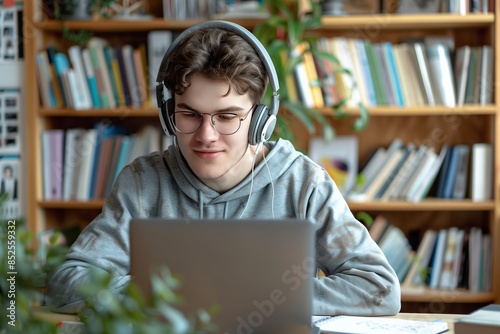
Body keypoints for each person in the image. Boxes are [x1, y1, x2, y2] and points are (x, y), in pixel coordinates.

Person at [47, 20, 400, 316]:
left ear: (262, 121)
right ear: (169, 116)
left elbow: (379, 288)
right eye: (189, 114)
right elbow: (68, 282)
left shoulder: (304, 183)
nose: (206, 135)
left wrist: (261, 298)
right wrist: (181, 296)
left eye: (227, 116)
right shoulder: (143, 182)